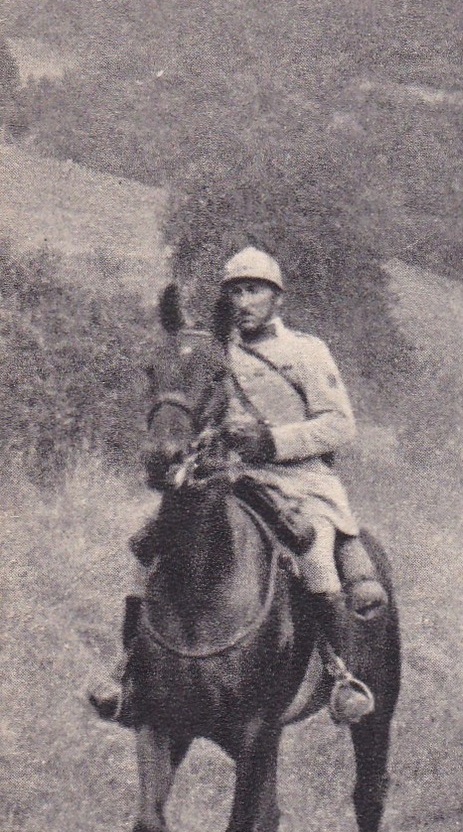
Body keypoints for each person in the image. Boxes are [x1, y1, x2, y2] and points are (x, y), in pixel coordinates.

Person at [90, 246, 384, 726]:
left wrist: (272, 440)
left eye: (253, 290)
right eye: (234, 292)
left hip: (298, 482)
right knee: (148, 550)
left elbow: (339, 425)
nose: (243, 301)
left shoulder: (306, 352)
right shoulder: (214, 350)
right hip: (223, 477)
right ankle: (130, 672)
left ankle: (339, 671)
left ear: (277, 298)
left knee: (314, 555)